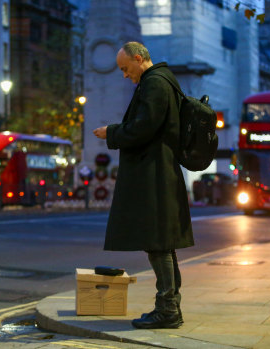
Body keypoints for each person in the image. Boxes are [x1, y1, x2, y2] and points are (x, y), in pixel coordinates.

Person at [92, 42, 193, 329]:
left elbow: (143, 127)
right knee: (163, 243)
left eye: (125, 68)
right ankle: (170, 306)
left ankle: (168, 310)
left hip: (155, 174)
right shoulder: (162, 81)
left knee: (157, 243)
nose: (124, 75)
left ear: (139, 59)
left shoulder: (155, 84)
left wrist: (111, 132)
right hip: (160, 171)